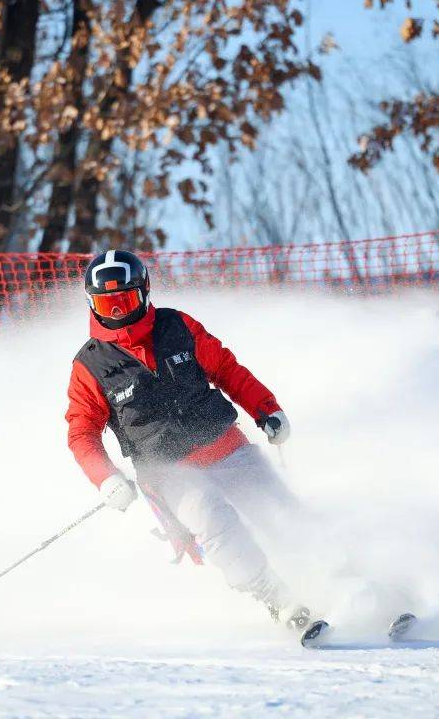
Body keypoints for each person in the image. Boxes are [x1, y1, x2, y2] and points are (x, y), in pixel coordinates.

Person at [65, 250, 310, 631]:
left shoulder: (176, 326)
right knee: (212, 517)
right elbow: (82, 432)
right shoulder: (90, 365)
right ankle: (276, 597)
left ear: (143, 292)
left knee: (280, 512)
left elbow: (227, 369)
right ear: (91, 304)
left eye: (124, 301)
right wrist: (106, 478)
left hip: (224, 444)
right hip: (167, 471)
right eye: (106, 304)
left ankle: (345, 580)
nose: (116, 313)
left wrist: (266, 409)